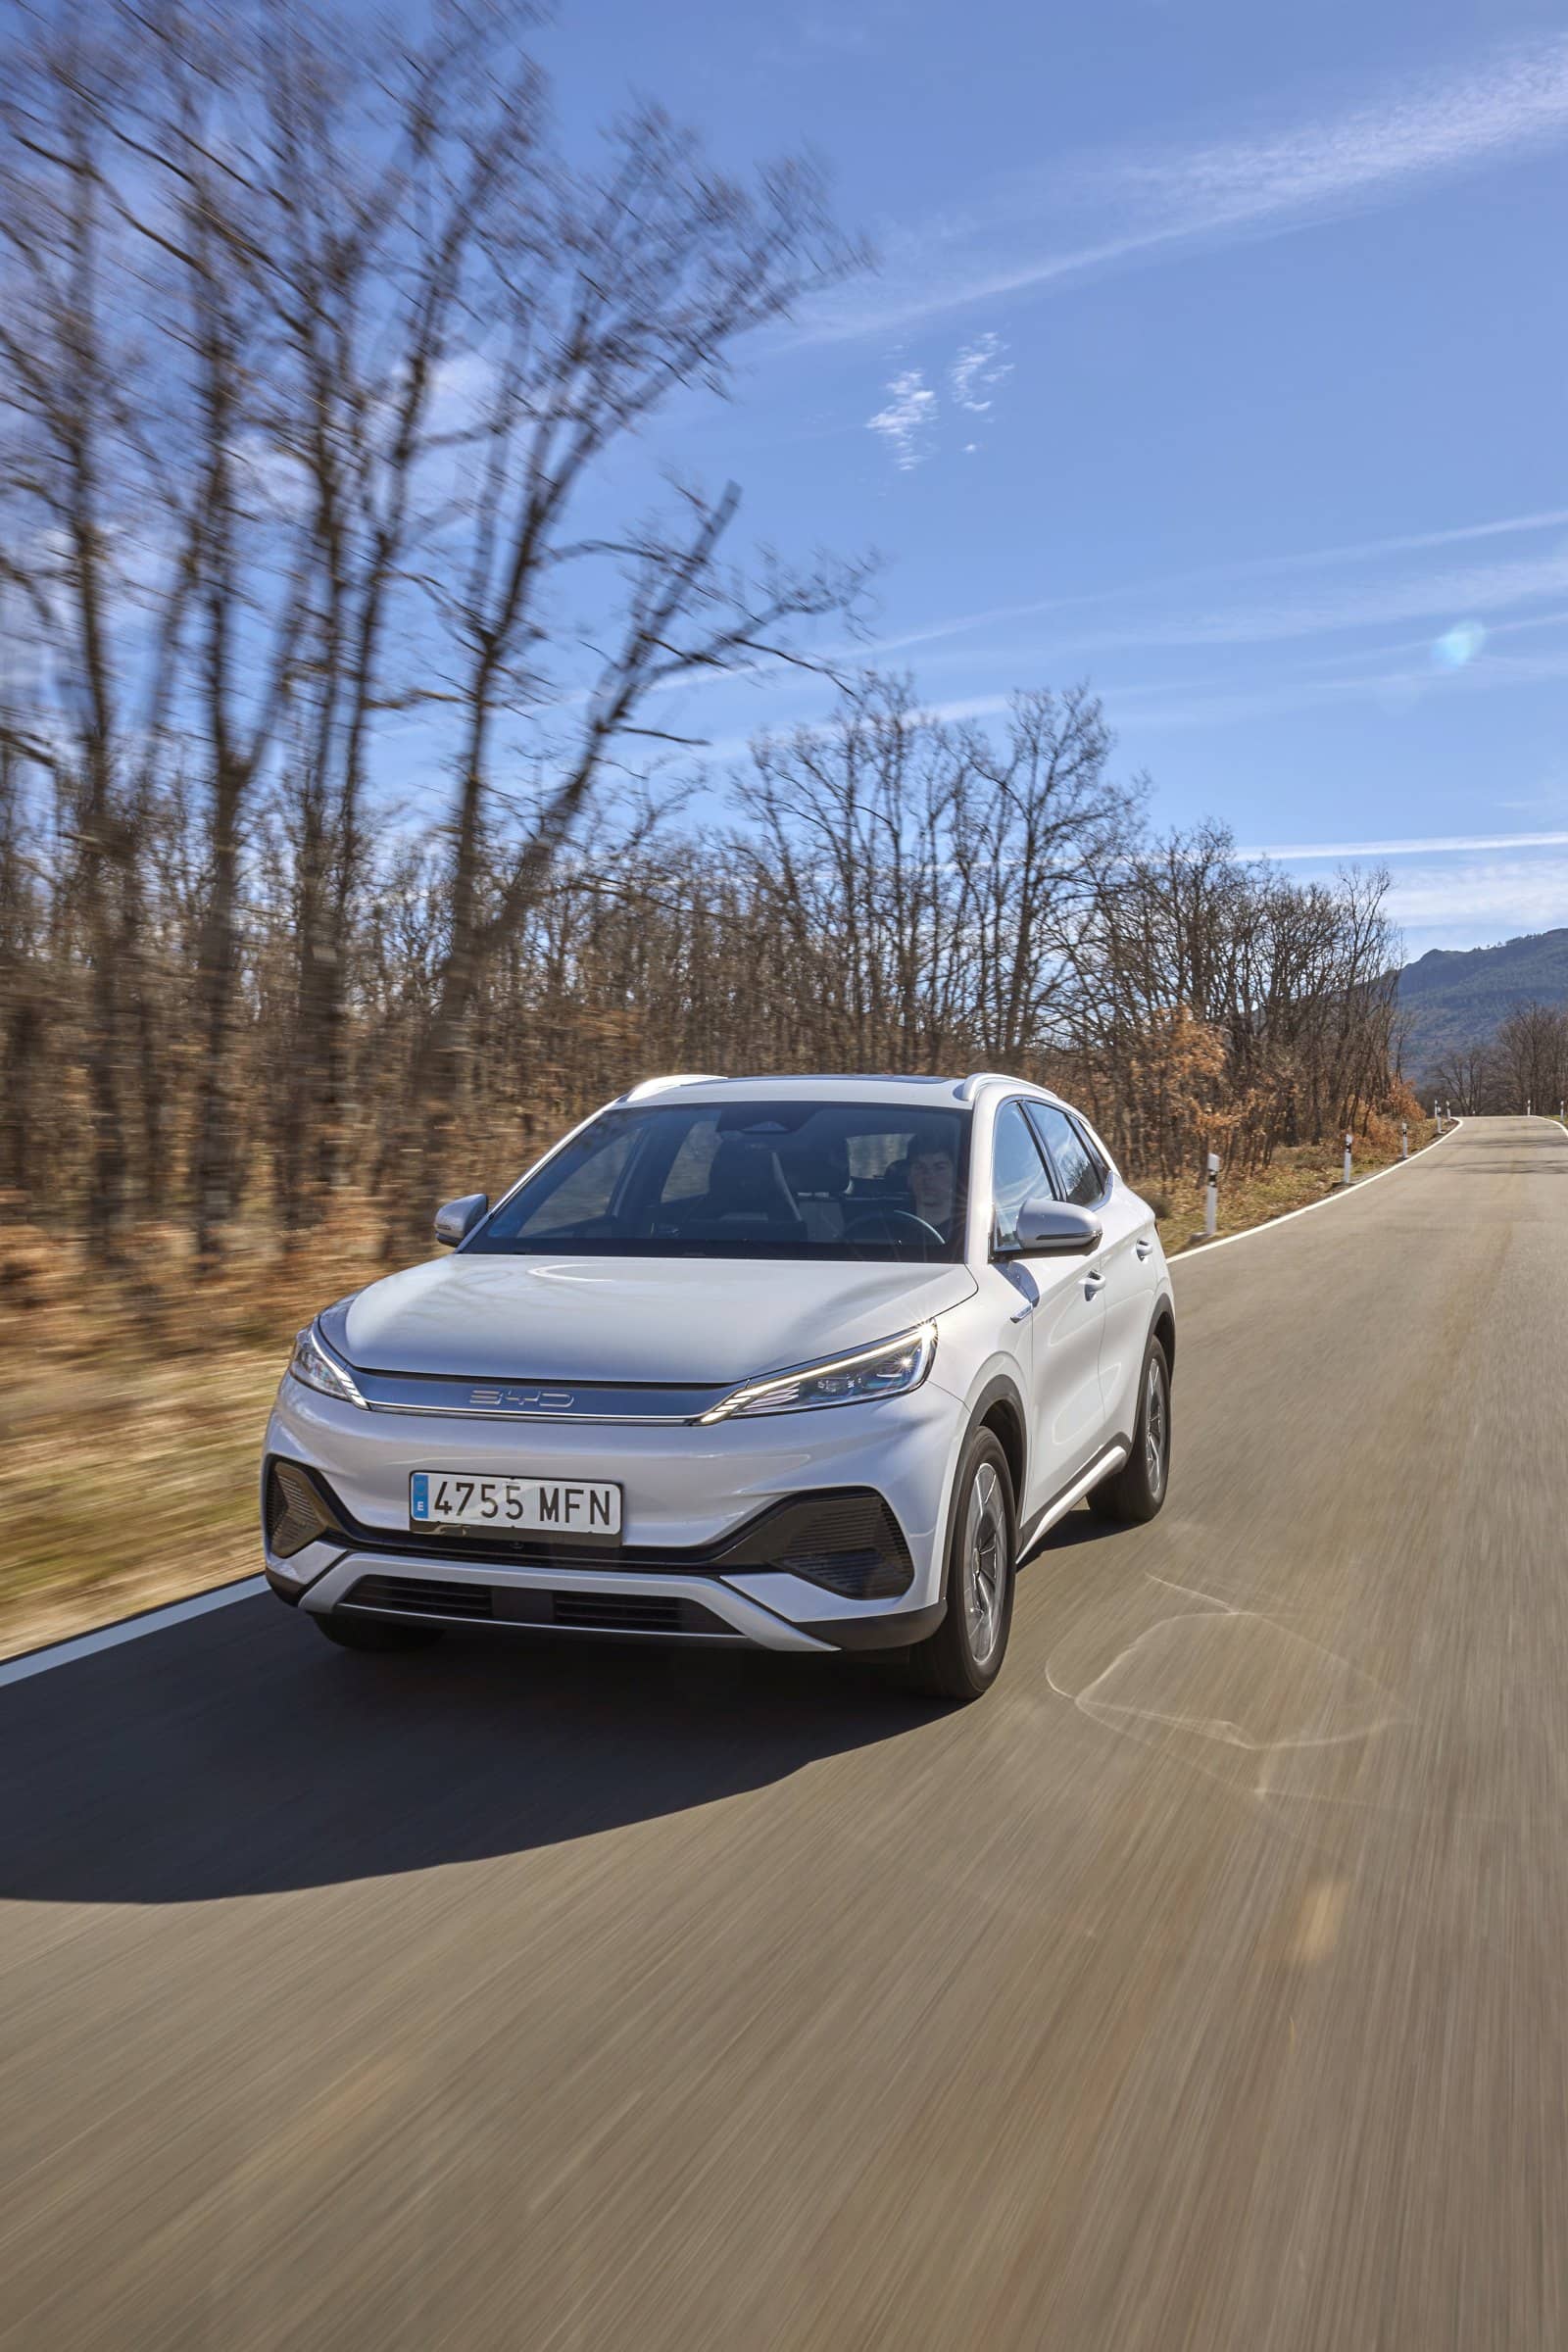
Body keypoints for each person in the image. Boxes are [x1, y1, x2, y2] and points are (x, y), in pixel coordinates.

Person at [907, 1140, 957, 1237]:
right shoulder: (887, 1227)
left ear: (956, 1175)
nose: (928, 1177)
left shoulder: (971, 1230)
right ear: (909, 1175)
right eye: (920, 1167)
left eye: (939, 1168)